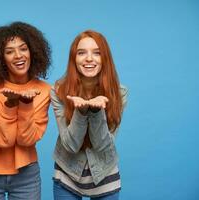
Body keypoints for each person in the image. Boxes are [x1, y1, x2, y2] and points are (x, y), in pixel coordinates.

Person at [0, 21, 51, 200]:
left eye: (23, 48)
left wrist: (25, 103)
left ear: (32, 51)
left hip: (27, 175)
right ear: (1, 58)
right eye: (9, 51)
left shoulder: (44, 90)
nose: (18, 55)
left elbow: (26, 140)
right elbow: (2, 139)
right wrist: (9, 105)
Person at [51, 30, 128, 200]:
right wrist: (81, 111)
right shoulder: (59, 91)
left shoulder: (119, 93)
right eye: (81, 53)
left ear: (105, 58)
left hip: (105, 172)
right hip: (67, 172)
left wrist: (95, 111)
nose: (89, 59)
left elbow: (102, 145)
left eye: (97, 53)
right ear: (74, 59)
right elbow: (71, 145)